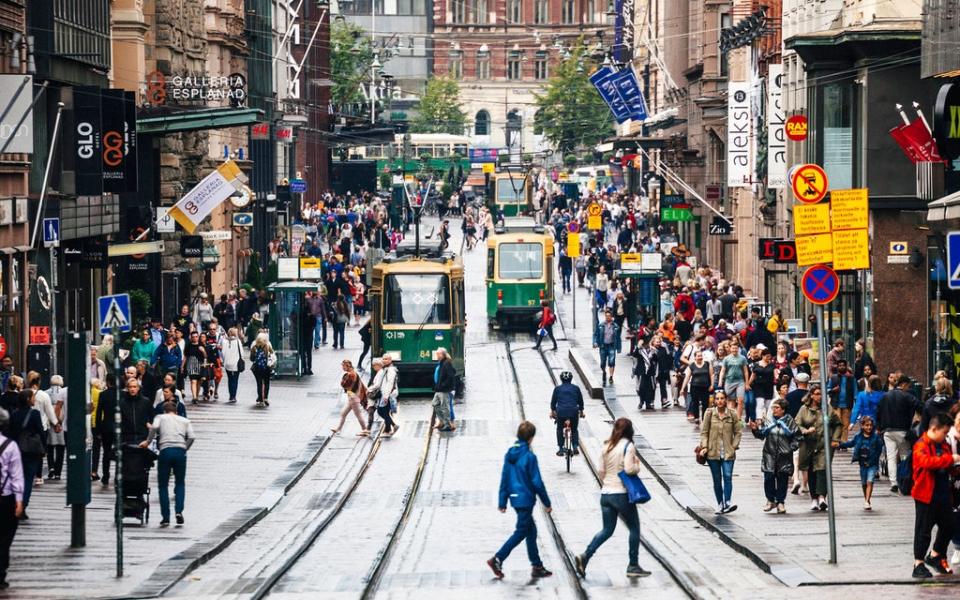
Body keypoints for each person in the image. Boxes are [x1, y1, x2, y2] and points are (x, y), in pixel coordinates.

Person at [574, 417, 650, 578]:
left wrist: (607, 483)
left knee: (607, 530)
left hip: (606, 494)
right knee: (634, 528)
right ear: (629, 431)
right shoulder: (628, 447)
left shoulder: (606, 446)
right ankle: (633, 565)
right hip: (621, 494)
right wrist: (637, 465)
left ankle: (585, 556)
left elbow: (600, 471)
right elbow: (629, 470)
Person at [487, 421, 553, 580]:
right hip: (526, 500)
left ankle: (537, 565)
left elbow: (505, 478)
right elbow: (537, 482)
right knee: (521, 532)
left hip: (515, 500)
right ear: (531, 438)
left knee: (531, 531)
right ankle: (497, 558)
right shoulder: (530, 457)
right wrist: (547, 502)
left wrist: (502, 501)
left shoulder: (510, 454)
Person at [910, 413, 960, 578]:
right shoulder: (921, 445)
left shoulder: (943, 444)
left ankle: (935, 555)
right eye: (944, 433)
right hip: (925, 495)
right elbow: (926, 462)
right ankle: (918, 564)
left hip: (943, 494)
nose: (945, 436)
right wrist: (950, 460)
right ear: (934, 429)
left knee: (950, 525)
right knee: (923, 530)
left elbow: (946, 465)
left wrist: (954, 466)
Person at [139, 401, 195, 527]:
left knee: (163, 485)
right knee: (180, 482)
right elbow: (192, 437)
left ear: (164, 411)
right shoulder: (185, 420)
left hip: (165, 450)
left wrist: (148, 442)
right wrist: (184, 448)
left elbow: (154, 427)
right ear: (176, 411)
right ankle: (179, 511)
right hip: (180, 452)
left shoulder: (160, 417)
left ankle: (166, 517)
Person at [796, 386, 842, 511]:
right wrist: (805, 431)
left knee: (822, 470)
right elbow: (797, 424)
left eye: (821, 394)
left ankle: (822, 497)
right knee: (812, 472)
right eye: (817, 394)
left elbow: (838, 424)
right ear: (811, 395)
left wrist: (835, 439)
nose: (819, 397)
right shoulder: (804, 409)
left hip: (824, 444)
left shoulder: (827, 409)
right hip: (809, 445)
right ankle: (814, 499)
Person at [750, 398, 799, 513]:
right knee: (769, 478)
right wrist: (755, 430)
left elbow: (797, 436)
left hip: (784, 456)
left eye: (776, 408)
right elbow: (761, 435)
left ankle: (780, 502)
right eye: (773, 408)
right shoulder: (768, 420)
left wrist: (791, 447)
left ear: (783, 410)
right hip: (769, 454)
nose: (774, 410)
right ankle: (770, 500)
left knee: (782, 479)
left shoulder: (790, 421)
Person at [877, 374, 923, 493]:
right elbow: (919, 406)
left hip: (887, 431)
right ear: (903, 384)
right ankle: (904, 479)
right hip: (902, 430)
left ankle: (893, 483)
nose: (908, 388)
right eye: (908, 386)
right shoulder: (906, 396)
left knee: (891, 457)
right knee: (904, 457)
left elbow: (878, 412)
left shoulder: (885, 396)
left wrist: (879, 427)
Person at [699, 391, 742, 514]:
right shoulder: (709, 413)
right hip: (713, 452)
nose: (720, 401)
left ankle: (727, 502)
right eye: (717, 399)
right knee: (717, 479)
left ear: (726, 399)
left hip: (728, 452)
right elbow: (704, 432)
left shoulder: (732, 414)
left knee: (728, 477)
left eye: (722, 398)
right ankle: (720, 504)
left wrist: (734, 446)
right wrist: (704, 446)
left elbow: (738, 432)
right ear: (714, 401)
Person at [838, 416, 884, 510]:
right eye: (866, 425)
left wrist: (872, 461)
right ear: (862, 426)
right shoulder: (858, 436)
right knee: (864, 483)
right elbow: (850, 444)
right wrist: (839, 444)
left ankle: (867, 501)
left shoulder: (876, 438)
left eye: (870, 425)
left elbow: (879, 451)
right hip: (862, 463)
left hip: (872, 463)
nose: (869, 427)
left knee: (870, 481)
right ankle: (866, 498)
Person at [0, 408, 24, 590]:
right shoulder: (10, 446)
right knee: (5, 538)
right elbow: (16, 476)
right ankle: (1, 573)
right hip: (5, 498)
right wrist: (19, 500)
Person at [8, 390, 42, 519]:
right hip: (31, 451)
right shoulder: (35, 414)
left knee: (16, 478)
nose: (35, 400)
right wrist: (43, 448)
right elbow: (41, 432)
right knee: (28, 479)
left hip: (17, 450)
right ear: (28, 399)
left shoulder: (14, 414)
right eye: (33, 397)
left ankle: (15, 504)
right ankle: (23, 505)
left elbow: (9, 432)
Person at [550, 371, 584, 456]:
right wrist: (581, 411)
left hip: (561, 412)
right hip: (573, 411)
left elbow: (553, 402)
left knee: (559, 428)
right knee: (574, 429)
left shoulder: (557, 389)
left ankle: (561, 449)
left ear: (561, 379)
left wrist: (553, 411)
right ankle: (575, 447)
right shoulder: (576, 388)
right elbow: (580, 401)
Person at [332, 360, 369, 436]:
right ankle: (338, 429)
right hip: (352, 397)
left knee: (358, 414)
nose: (342, 367)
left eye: (343, 366)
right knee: (343, 413)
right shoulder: (353, 373)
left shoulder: (351, 374)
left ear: (347, 366)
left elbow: (344, 384)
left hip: (353, 398)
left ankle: (365, 430)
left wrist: (343, 381)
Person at [367, 356, 399, 437]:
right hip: (384, 393)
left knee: (382, 411)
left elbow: (390, 384)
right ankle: (391, 427)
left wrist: (386, 396)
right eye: (383, 359)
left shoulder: (391, 370)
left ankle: (390, 428)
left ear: (390, 360)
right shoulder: (386, 369)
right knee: (383, 411)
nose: (384, 360)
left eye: (386, 359)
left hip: (388, 394)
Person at [719, 339, 750, 418]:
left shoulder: (742, 358)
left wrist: (747, 383)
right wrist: (720, 381)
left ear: (738, 349)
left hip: (740, 381)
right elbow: (723, 371)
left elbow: (746, 371)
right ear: (730, 348)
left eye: (736, 348)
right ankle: (731, 417)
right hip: (729, 381)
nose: (734, 350)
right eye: (733, 348)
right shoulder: (726, 359)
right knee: (731, 400)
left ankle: (738, 418)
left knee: (740, 400)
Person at [681, 349, 714, 424]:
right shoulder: (692, 365)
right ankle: (696, 417)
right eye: (698, 356)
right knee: (695, 402)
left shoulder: (707, 364)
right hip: (695, 386)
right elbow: (687, 377)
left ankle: (704, 417)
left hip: (705, 386)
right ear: (695, 357)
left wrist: (712, 385)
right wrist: (683, 388)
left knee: (705, 403)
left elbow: (711, 375)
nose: (700, 357)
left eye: (701, 356)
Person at [828, 359, 857, 441]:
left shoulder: (851, 378)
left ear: (846, 367)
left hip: (847, 405)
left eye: (843, 365)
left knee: (845, 424)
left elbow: (855, 391)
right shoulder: (833, 378)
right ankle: (836, 440)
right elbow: (827, 389)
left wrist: (856, 402)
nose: (841, 367)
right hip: (836, 404)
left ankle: (843, 442)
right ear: (837, 367)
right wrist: (833, 390)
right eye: (840, 365)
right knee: (837, 423)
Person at [119, 378, 153, 445]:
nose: (132, 389)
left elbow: (152, 416)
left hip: (142, 437)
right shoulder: (122, 403)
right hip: (127, 438)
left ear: (138, 388)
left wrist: (148, 425)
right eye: (130, 387)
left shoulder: (146, 401)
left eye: (134, 387)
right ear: (127, 388)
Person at [593, 311, 621, 386]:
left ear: (612, 317)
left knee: (611, 362)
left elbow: (618, 337)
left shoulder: (615, 326)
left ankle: (611, 377)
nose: (608, 317)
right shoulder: (601, 325)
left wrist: (618, 348)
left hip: (611, 346)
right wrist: (595, 342)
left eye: (609, 316)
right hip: (603, 346)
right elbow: (596, 334)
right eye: (606, 316)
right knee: (602, 362)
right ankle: (604, 372)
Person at [433, 348, 457, 432]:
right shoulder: (441, 363)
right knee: (435, 404)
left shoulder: (446, 363)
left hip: (444, 390)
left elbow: (450, 376)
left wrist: (443, 385)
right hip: (439, 389)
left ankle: (447, 425)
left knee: (445, 407)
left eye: (438, 354)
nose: (437, 356)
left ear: (442, 355)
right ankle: (443, 421)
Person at [249, 333, 276, 407]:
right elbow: (272, 355)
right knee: (266, 382)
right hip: (266, 367)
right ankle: (266, 398)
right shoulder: (268, 346)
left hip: (257, 368)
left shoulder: (254, 347)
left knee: (259, 383)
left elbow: (251, 358)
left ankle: (260, 399)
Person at [220, 327, 244, 404]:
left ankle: (231, 395)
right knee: (235, 380)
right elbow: (242, 353)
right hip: (236, 364)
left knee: (230, 379)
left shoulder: (224, 341)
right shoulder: (237, 341)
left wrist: (224, 360)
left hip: (227, 364)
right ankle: (233, 396)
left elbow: (223, 353)